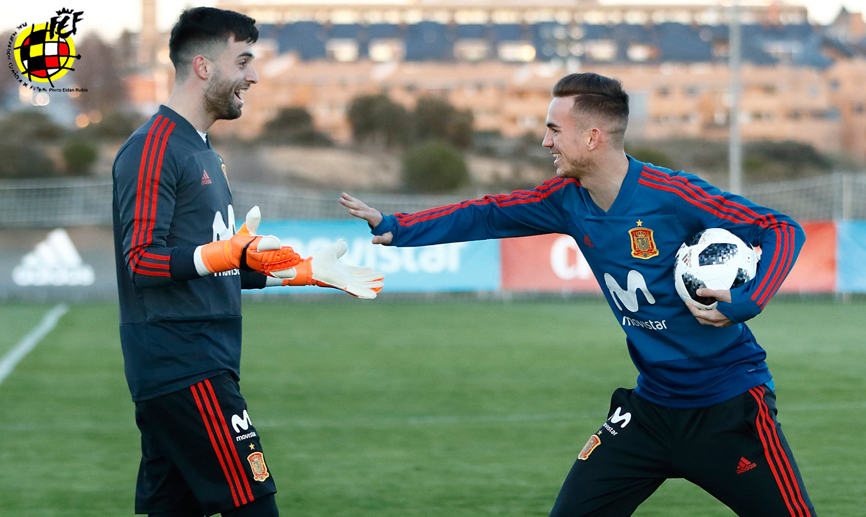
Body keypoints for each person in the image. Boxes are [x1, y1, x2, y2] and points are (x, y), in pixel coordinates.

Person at [340, 72, 815, 516]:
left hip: (728, 408)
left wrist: (749, 299)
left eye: (554, 130)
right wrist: (397, 226)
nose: (546, 141)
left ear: (592, 137)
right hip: (649, 412)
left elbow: (779, 227)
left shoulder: (673, 194)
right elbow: (488, 213)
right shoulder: (566, 200)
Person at [112, 7, 382, 516]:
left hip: (201, 361)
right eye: (244, 60)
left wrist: (300, 271)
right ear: (203, 66)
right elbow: (142, 263)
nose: (253, 75)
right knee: (255, 506)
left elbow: (217, 266)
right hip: (185, 367)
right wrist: (223, 252)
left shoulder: (204, 151)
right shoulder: (152, 148)